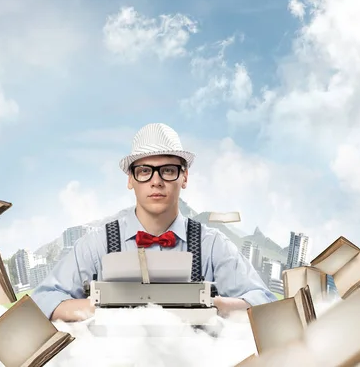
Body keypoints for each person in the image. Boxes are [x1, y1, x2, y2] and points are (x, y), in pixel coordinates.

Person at [32, 123, 276, 322]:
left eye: (168, 170)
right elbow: (43, 300)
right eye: (145, 171)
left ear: (184, 177)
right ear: (131, 179)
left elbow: (263, 302)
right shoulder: (97, 243)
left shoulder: (212, 245)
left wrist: (214, 305)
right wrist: (95, 309)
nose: (156, 182)